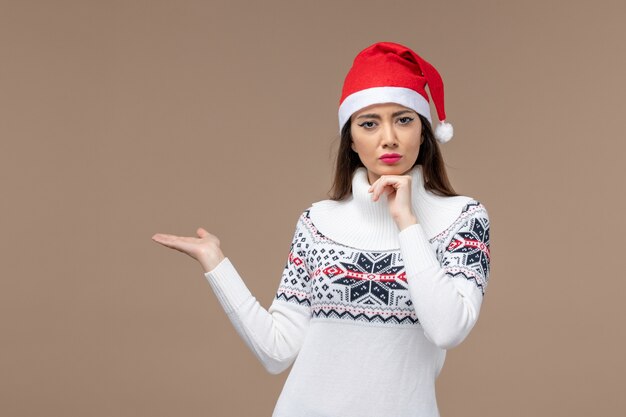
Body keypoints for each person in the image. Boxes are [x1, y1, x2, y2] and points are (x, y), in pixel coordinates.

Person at [152, 41, 491, 417]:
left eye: (404, 119)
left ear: (425, 132)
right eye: (369, 123)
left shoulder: (462, 219)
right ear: (351, 139)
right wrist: (215, 263)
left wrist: (407, 223)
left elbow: (447, 330)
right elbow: (277, 351)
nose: (388, 137)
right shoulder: (318, 223)